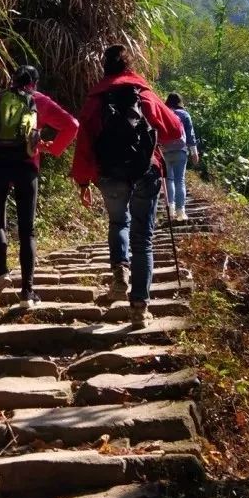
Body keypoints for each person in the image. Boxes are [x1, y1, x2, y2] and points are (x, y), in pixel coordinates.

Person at [71, 45, 185, 328]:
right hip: (145, 173)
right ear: (128, 66)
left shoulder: (95, 100)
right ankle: (138, 308)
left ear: (104, 69)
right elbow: (173, 129)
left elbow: (84, 143)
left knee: (118, 221)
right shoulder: (144, 93)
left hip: (109, 175)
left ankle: (120, 269)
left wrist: (83, 180)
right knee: (143, 239)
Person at [0, 65, 78, 309]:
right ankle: (27, 293)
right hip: (26, 166)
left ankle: (1, 273)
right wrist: (51, 148)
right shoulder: (39, 100)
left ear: (13, 80)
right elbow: (72, 125)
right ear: (35, 83)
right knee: (27, 229)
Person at [163, 92, 199, 223]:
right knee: (180, 181)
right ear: (180, 102)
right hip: (180, 151)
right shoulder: (184, 115)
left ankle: (170, 209)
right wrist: (194, 152)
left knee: (169, 180)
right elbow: (190, 134)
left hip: (165, 151)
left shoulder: (164, 112)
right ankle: (180, 211)